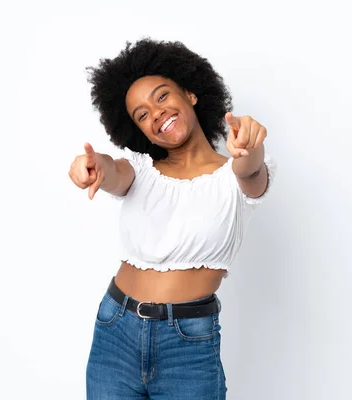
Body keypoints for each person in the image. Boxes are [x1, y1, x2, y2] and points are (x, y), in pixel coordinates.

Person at [69, 38, 275, 399]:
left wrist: (250, 148)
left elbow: (251, 171)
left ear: (191, 94)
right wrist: (94, 167)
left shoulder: (233, 180)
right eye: (142, 114)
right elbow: (113, 171)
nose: (156, 113)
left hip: (188, 345)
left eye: (162, 97)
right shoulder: (141, 170)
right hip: (115, 330)